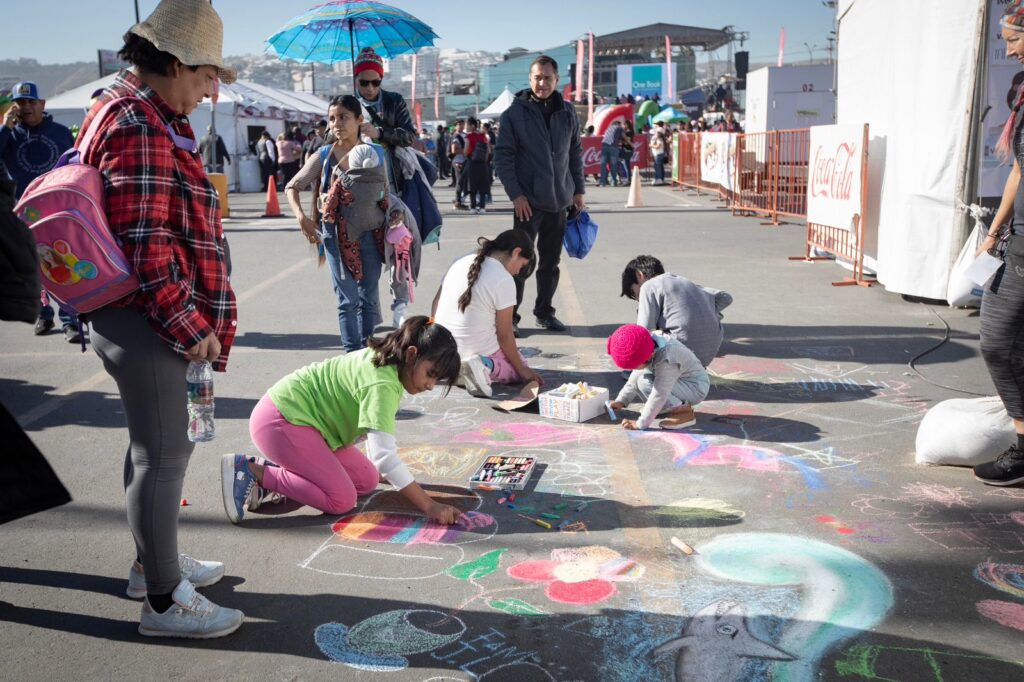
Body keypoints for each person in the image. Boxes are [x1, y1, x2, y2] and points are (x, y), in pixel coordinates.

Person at [77, 0, 242, 638]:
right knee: (164, 453)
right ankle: (165, 601)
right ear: (172, 64)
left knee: (152, 447)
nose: (210, 91)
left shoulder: (128, 106)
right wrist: (189, 324)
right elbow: (146, 246)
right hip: (145, 317)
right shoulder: (138, 121)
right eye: (206, 77)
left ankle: (154, 567)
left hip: (131, 315)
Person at [221, 317, 464, 524]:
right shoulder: (382, 384)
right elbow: (384, 457)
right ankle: (252, 471)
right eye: (430, 374)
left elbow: (380, 462)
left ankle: (281, 477)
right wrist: (429, 505)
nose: (430, 385)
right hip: (281, 421)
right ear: (412, 354)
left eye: (437, 380)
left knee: (366, 480)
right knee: (341, 500)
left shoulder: (389, 361)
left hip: (309, 427)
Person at [285, 95, 386, 352]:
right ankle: (351, 357)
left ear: (359, 120)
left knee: (368, 299)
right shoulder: (324, 155)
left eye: (343, 117)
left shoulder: (376, 153)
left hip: (372, 233)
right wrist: (301, 217)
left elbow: (388, 193)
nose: (336, 123)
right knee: (347, 301)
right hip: (335, 235)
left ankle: (367, 354)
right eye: (332, 118)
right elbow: (292, 186)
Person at [494, 55, 584, 336]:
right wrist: (516, 195)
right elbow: (503, 157)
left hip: (559, 202)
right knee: (519, 263)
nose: (542, 82)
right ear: (530, 79)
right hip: (528, 204)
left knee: (550, 263)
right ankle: (513, 317)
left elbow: (575, 154)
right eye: (537, 77)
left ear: (557, 80)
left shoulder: (567, 112)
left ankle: (545, 312)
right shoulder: (514, 114)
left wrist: (578, 190)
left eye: (547, 77)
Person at [973, 0, 1024, 486]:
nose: (1007, 51)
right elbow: (1017, 172)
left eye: (1012, 39)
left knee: (1003, 343)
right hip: (1019, 242)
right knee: (998, 340)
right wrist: (993, 234)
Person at [1, 80, 82, 342]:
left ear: (42, 104)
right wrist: (5, 128)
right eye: (20, 103)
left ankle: (69, 319)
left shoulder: (60, 132)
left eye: (31, 102)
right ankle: (44, 315)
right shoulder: (9, 135)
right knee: (34, 265)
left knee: (63, 262)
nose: (26, 108)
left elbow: (75, 165)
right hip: (24, 210)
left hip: (56, 208)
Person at [431, 230, 542, 398]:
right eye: (521, 265)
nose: (518, 272)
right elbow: (504, 335)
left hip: (442, 349)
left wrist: (433, 342)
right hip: (474, 351)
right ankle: (483, 365)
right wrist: (522, 370)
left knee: (514, 360)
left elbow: (436, 303)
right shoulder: (504, 279)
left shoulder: (459, 261)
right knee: (516, 366)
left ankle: (452, 368)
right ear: (516, 252)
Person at [620, 255, 732, 368]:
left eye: (633, 293)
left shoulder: (648, 286)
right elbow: (726, 297)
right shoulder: (685, 282)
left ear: (640, 275)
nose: (638, 299)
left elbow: (643, 332)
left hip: (678, 355)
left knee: (642, 379)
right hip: (705, 357)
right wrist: (707, 311)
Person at [606, 324, 710, 431]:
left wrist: (641, 424)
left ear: (648, 356)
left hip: (695, 387)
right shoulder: (648, 344)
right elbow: (635, 376)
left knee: (646, 383)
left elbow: (660, 393)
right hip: (681, 382)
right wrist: (621, 401)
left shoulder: (667, 359)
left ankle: (684, 412)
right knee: (641, 379)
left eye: (635, 366)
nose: (633, 369)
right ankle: (667, 407)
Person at [352, 47, 416, 194]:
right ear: (355, 79)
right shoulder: (347, 104)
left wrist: (380, 133)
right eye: (364, 82)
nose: (370, 88)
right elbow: (329, 137)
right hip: (359, 182)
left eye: (375, 82)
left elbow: (409, 136)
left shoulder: (394, 101)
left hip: (392, 179)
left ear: (381, 79)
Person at [464, 117, 490, 215]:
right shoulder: (484, 136)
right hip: (483, 164)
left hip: (472, 163)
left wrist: (467, 154)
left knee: (472, 185)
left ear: (473, 125)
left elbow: (466, 151)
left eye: (467, 125)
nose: (466, 127)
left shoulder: (469, 137)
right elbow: (488, 150)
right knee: (482, 185)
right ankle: (482, 207)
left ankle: (473, 207)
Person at [450, 119, 468, 207]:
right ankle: (458, 201)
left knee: (465, 182)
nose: (461, 126)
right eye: (459, 124)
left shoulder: (465, 135)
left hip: (466, 160)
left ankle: (460, 199)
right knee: (460, 181)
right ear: (455, 126)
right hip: (458, 161)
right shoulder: (455, 136)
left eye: (462, 124)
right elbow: (453, 150)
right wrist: (464, 151)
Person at [600, 120, 623, 187]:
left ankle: (602, 182)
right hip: (613, 147)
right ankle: (613, 182)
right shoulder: (619, 128)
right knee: (613, 165)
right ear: (618, 124)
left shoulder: (608, 129)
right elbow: (622, 136)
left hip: (604, 146)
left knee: (603, 165)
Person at [651, 121, 668, 186]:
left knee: (657, 166)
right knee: (659, 166)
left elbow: (658, 146)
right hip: (658, 153)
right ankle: (660, 178)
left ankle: (659, 179)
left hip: (658, 153)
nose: (656, 133)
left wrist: (651, 145)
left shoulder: (659, 138)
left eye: (657, 132)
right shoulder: (660, 138)